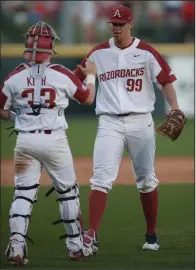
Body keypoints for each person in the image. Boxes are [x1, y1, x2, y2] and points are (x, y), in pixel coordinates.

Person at [74, 5, 181, 252]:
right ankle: (92, 234)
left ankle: (152, 234)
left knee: (145, 179)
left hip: (140, 121)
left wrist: (174, 106)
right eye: (113, 23)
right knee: (100, 178)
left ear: (130, 24)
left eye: (121, 24)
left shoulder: (145, 51)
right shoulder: (98, 53)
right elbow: (77, 77)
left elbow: (165, 80)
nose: (116, 27)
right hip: (109, 121)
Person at [0, 21, 96, 265]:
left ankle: (16, 248)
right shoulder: (62, 73)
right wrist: (92, 76)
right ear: (50, 47)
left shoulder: (15, 75)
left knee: (23, 194)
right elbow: (87, 98)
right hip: (54, 140)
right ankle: (76, 247)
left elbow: (2, 109)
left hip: (25, 140)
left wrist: (19, 116)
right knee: (67, 194)